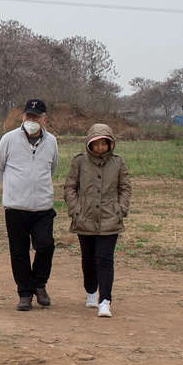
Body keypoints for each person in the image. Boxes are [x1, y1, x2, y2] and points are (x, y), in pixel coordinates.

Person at [0, 98, 60, 311]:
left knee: (46, 245)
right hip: (16, 207)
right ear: (23, 117)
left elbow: (53, 168)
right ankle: (25, 293)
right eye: (28, 116)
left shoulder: (52, 142)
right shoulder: (9, 139)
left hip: (42, 207)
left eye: (36, 117)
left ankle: (40, 284)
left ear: (44, 119)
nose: (32, 120)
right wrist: (12, 188)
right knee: (19, 252)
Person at [63, 122, 131, 317]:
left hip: (110, 218)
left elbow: (125, 187)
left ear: (111, 144)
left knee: (105, 259)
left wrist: (121, 209)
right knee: (89, 259)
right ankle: (91, 291)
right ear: (89, 144)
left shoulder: (118, 162)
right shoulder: (79, 162)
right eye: (96, 143)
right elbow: (70, 187)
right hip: (84, 217)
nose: (100, 147)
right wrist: (75, 210)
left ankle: (105, 300)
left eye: (104, 143)